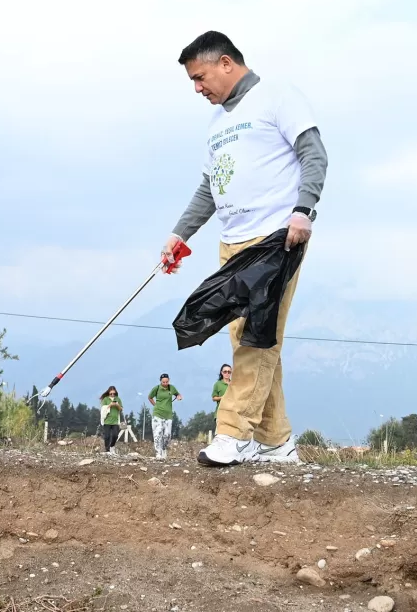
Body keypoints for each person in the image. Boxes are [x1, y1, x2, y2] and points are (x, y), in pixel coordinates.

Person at [163, 31, 327, 466]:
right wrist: (180, 235)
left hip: (276, 237)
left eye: (200, 77)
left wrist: (303, 210)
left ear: (225, 64)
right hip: (231, 243)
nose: (198, 88)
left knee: (257, 338)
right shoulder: (216, 124)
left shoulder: (277, 96)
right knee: (249, 340)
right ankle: (276, 442)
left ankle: (232, 433)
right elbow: (208, 188)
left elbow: (315, 154)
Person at [148, 374, 182, 460]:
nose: (165, 383)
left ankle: (164, 449)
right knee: (158, 433)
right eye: (163, 382)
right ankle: (158, 452)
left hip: (168, 415)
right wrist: (155, 405)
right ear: (160, 381)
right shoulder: (156, 388)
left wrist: (179, 397)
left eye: (167, 382)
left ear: (169, 380)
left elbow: (178, 394)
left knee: (167, 435)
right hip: (157, 414)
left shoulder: (171, 388)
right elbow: (150, 397)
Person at [99, 386, 123, 454]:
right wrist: (110, 405)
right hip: (107, 420)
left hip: (115, 421)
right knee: (107, 436)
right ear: (109, 392)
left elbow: (121, 409)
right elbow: (103, 408)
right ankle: (107, 450)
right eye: (111, 393)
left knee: (115, 435)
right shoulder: (105, 399)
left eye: (113, 393)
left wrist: (117, 405)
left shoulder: (118, 399)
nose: (112, 395)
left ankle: (112, 446)